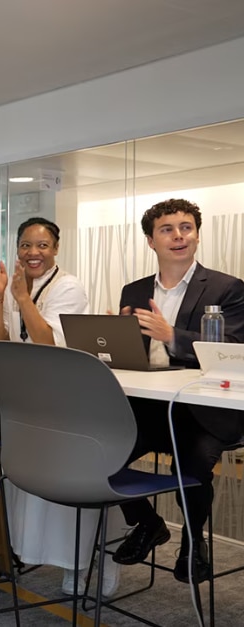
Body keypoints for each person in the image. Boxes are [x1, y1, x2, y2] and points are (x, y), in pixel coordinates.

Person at [0, 217, 122, 596]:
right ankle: (34, 553)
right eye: (26, 245)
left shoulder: (68, 286)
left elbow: (46, 342)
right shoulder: (13, 286)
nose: (33, 253)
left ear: (56, 248)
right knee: (30, 478)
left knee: (68, 480)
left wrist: (23, 298)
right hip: (25, 395)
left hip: (64, 396)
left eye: (42, 245)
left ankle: (88, 559)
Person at [111, 199, 244, 584]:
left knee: (194, 463)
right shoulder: (133, 290)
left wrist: (173, 337)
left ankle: (192, 539)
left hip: (205, 409)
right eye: (167, 229)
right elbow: (130, 355)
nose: (178, 235)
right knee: (101, 450)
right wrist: (112, 337)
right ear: (151, 241)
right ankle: (148, 522)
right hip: (149, 406)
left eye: (186, 227)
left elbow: (233, 348)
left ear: (197, 235)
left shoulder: (228, 288)